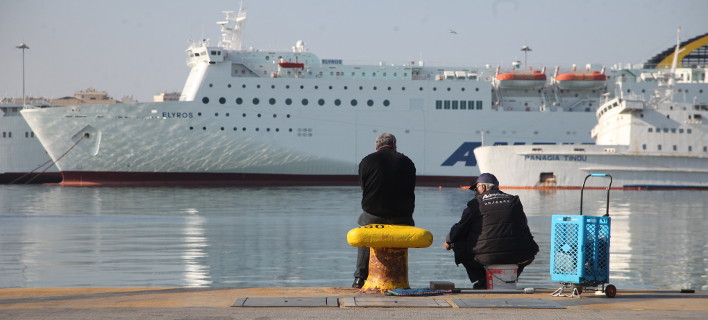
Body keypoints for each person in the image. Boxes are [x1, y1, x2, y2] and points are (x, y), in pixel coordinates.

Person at [444, 173, 538, 289]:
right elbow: (523, 226)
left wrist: (449, 241)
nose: (475, 192)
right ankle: (512, 276)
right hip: (518, 255)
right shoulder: (514, 201)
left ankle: (483, 279)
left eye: (476, 188)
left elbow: (460, 228)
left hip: (486, 257)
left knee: (458, 243)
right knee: (530, 247)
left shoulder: (475, 204)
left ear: (482, 187)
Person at [353, 133, 416, 288]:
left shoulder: (366, 161)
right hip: (402, 216)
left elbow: (364, 188)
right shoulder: (407, 162)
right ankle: (399, 277)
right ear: (394, 143)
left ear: (377, 147)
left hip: (374, 214)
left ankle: (359, 278)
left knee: (364, 230)